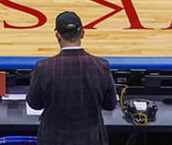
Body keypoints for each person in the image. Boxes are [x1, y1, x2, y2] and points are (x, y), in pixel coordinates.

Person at [26, 12, 118, 145]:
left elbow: (34, 104)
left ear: (58, 36)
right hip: (91, 140)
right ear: (82, 33)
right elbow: (110, 105)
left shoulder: (43, 68)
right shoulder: (101, 66)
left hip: (53, 140)